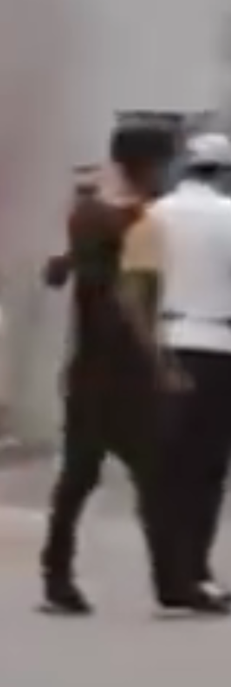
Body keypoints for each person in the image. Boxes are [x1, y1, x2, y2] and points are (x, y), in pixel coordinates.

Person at [38, 121, 217, 615]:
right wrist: (160, 364)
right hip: (126, 372)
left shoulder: (91, 214)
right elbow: (129, 297)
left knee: (81, 479)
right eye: (169, 161)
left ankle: (58, 577)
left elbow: (65, 268)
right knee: (151, 481)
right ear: (153, 165)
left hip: (89, 368)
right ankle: (172, 582)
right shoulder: (139, 222)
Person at [149, 132, 231, 608]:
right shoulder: (227, 217)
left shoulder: (156, 215)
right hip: (218, 347)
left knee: (167, 468)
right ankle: (195, 572)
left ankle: (169, 577)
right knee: (206, 469)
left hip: (164, 342)